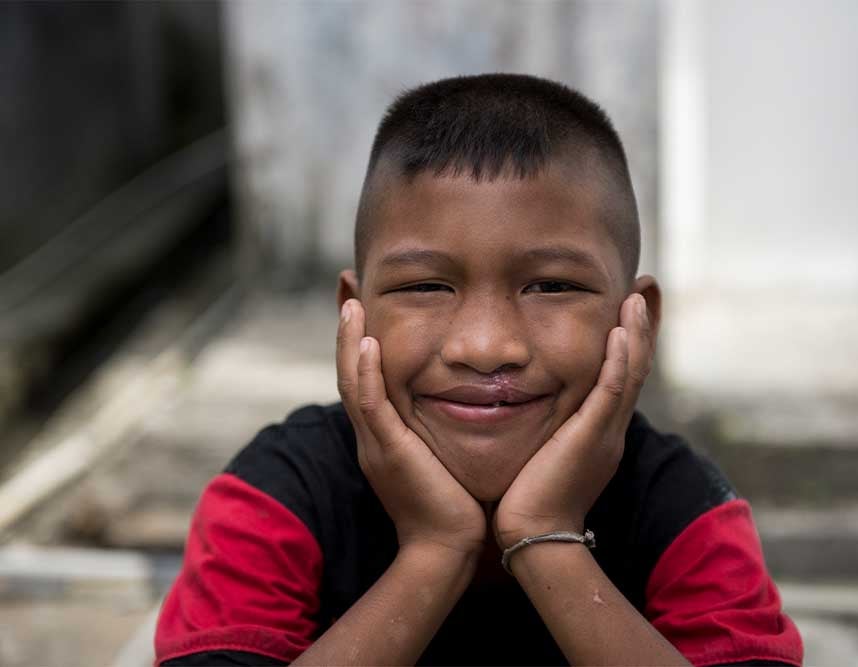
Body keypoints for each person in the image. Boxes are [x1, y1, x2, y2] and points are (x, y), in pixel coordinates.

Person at [155, 73, 803, 667]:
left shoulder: (680, 511)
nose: (486, 345)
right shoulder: (278, 497)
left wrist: (545, 536)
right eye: (427, 287)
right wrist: (435, 549)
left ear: (637, 319)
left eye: (551, 286)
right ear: (354, 315)